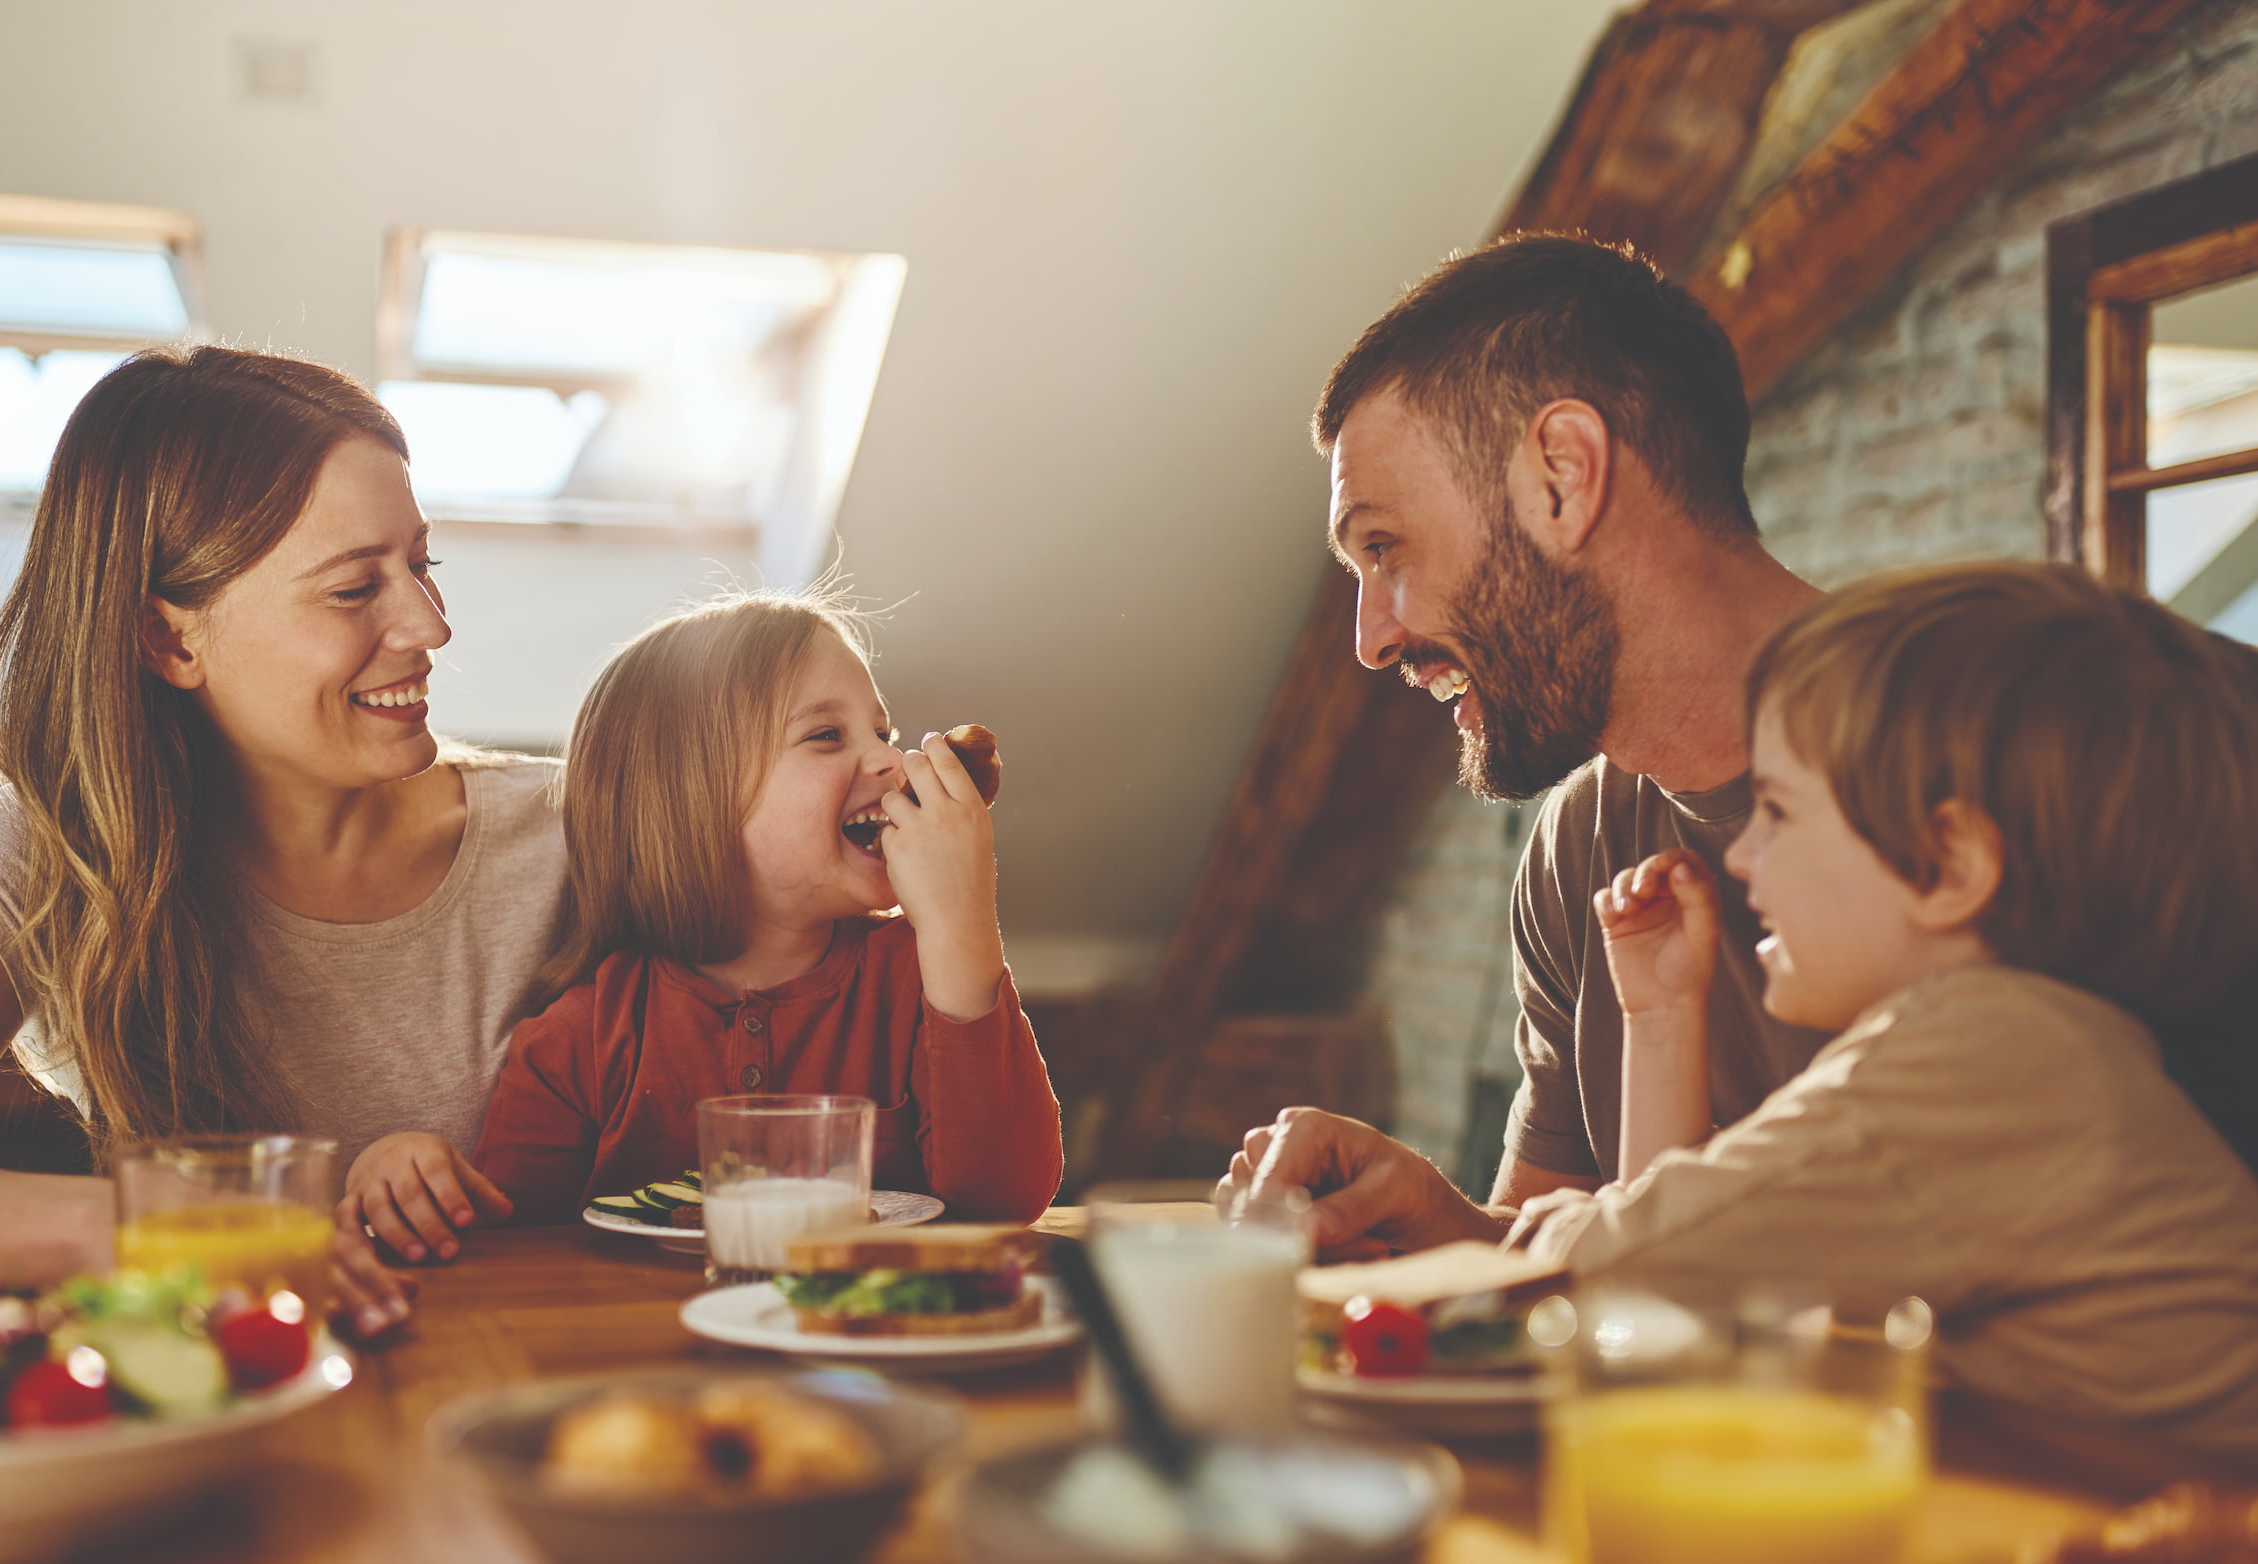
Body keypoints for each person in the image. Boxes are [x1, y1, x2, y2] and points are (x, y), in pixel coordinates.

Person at [1244, 563, 2258, 1451]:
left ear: (1948, 864)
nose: (1741, 853)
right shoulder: (2037, 1047)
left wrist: (1279, 1295)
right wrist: (1660, 1021)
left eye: (1778, 809)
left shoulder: (2001, 1060)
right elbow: (1678, 1288)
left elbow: (1638, 1264)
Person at [0, 345, 565, 1337]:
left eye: (421, 565)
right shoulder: (55, 846)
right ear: (171, 639)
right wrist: (163, 1228)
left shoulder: (576, 833)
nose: (429, 624)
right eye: (356, 588)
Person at [1315, 231, 1829, 1208]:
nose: (1370, 639)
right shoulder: (1581, 849)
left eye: (1385, 546)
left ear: (1561, 474)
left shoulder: (1994, 750)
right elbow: (1559, 1275)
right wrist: (1437, 1220)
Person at [461, 592, 1063, 1228]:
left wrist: (959, 925)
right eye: (826, 735)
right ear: (690, 798)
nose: (892, 759)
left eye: (881, 731)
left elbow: (1003, 1202)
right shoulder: (587, 1035)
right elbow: (507, 1247)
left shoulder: (922, 976)